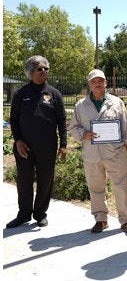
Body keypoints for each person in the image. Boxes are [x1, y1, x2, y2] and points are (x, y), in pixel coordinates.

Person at [68, 69, 127, 234]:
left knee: (120, 187)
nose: (97, 84)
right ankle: (101, 219)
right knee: (95, 187)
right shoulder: (81, 106)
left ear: (105, 83)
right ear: (89, 84)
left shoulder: (117, 102)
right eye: (94, 81)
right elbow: (73, 128)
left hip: (115, 153)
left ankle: (126, 220)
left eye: (100, 81)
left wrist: (125, 146)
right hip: (92, 155)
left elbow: (126, 126)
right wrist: (83, 134)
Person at [7, 55, 68, 229]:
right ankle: (24, 214)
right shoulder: (21, 94)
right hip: (24, 147)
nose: (44, 71)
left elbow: (61, 121)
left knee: (45, 180)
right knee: (24, 180)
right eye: (40, 69)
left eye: (46, 68)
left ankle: (40, 214)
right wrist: (18, 141)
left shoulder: (54, 94)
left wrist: (63, 145)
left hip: (47, 147)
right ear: (30, 72)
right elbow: (13, 119)